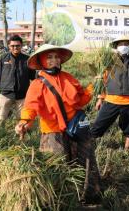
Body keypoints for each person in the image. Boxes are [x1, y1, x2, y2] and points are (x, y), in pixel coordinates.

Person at [15, 44, 101, 204]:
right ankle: (59, 201)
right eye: (49, 57)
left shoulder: (69, 78)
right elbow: (30, 107)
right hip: (53, 132)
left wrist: (94, 87)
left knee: (86, 162)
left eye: (56, 57)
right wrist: (24, 121)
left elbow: (80, 100)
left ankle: (89, 197)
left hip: (76, 128)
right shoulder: (37, 84)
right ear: (41, 61)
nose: (54, 60)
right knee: (57, 167)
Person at [90, 36, 129, 151]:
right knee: (98, 125)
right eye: (121, 44)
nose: (123, 46)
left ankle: (126, 150)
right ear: (116, 46)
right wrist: (100, 98)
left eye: (126, 43)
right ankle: (90, 147)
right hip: (111, 99)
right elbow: (103, 79)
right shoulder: (109, 60)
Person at [0, 35, 35, 128]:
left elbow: (34, 78)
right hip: (5, 94)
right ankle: (0, 136)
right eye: (12, 46)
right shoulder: (3, 58)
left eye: (18, 45)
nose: (15, 47)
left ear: (21, 46)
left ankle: (22, 139)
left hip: (22, 96)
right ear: (9, 46)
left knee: (23, 120)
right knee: (0, 118)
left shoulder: (27, 60)